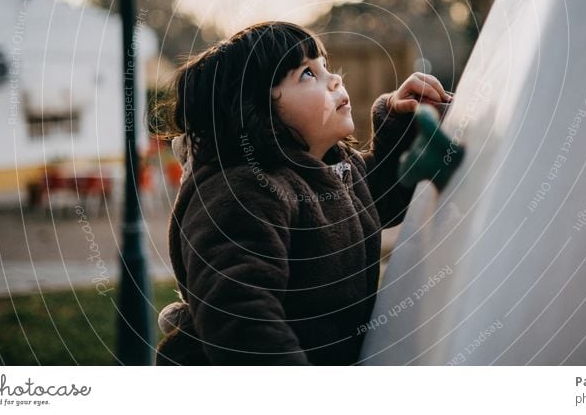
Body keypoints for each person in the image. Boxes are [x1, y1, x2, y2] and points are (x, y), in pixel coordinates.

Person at [153, 21, 452, 365]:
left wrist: (400, 123)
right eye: (307, 74)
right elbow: (240, 316)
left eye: (325, 66)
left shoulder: (329, 172)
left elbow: (376, 200)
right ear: (256, 110)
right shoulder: (241, 194)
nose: (335, 79)